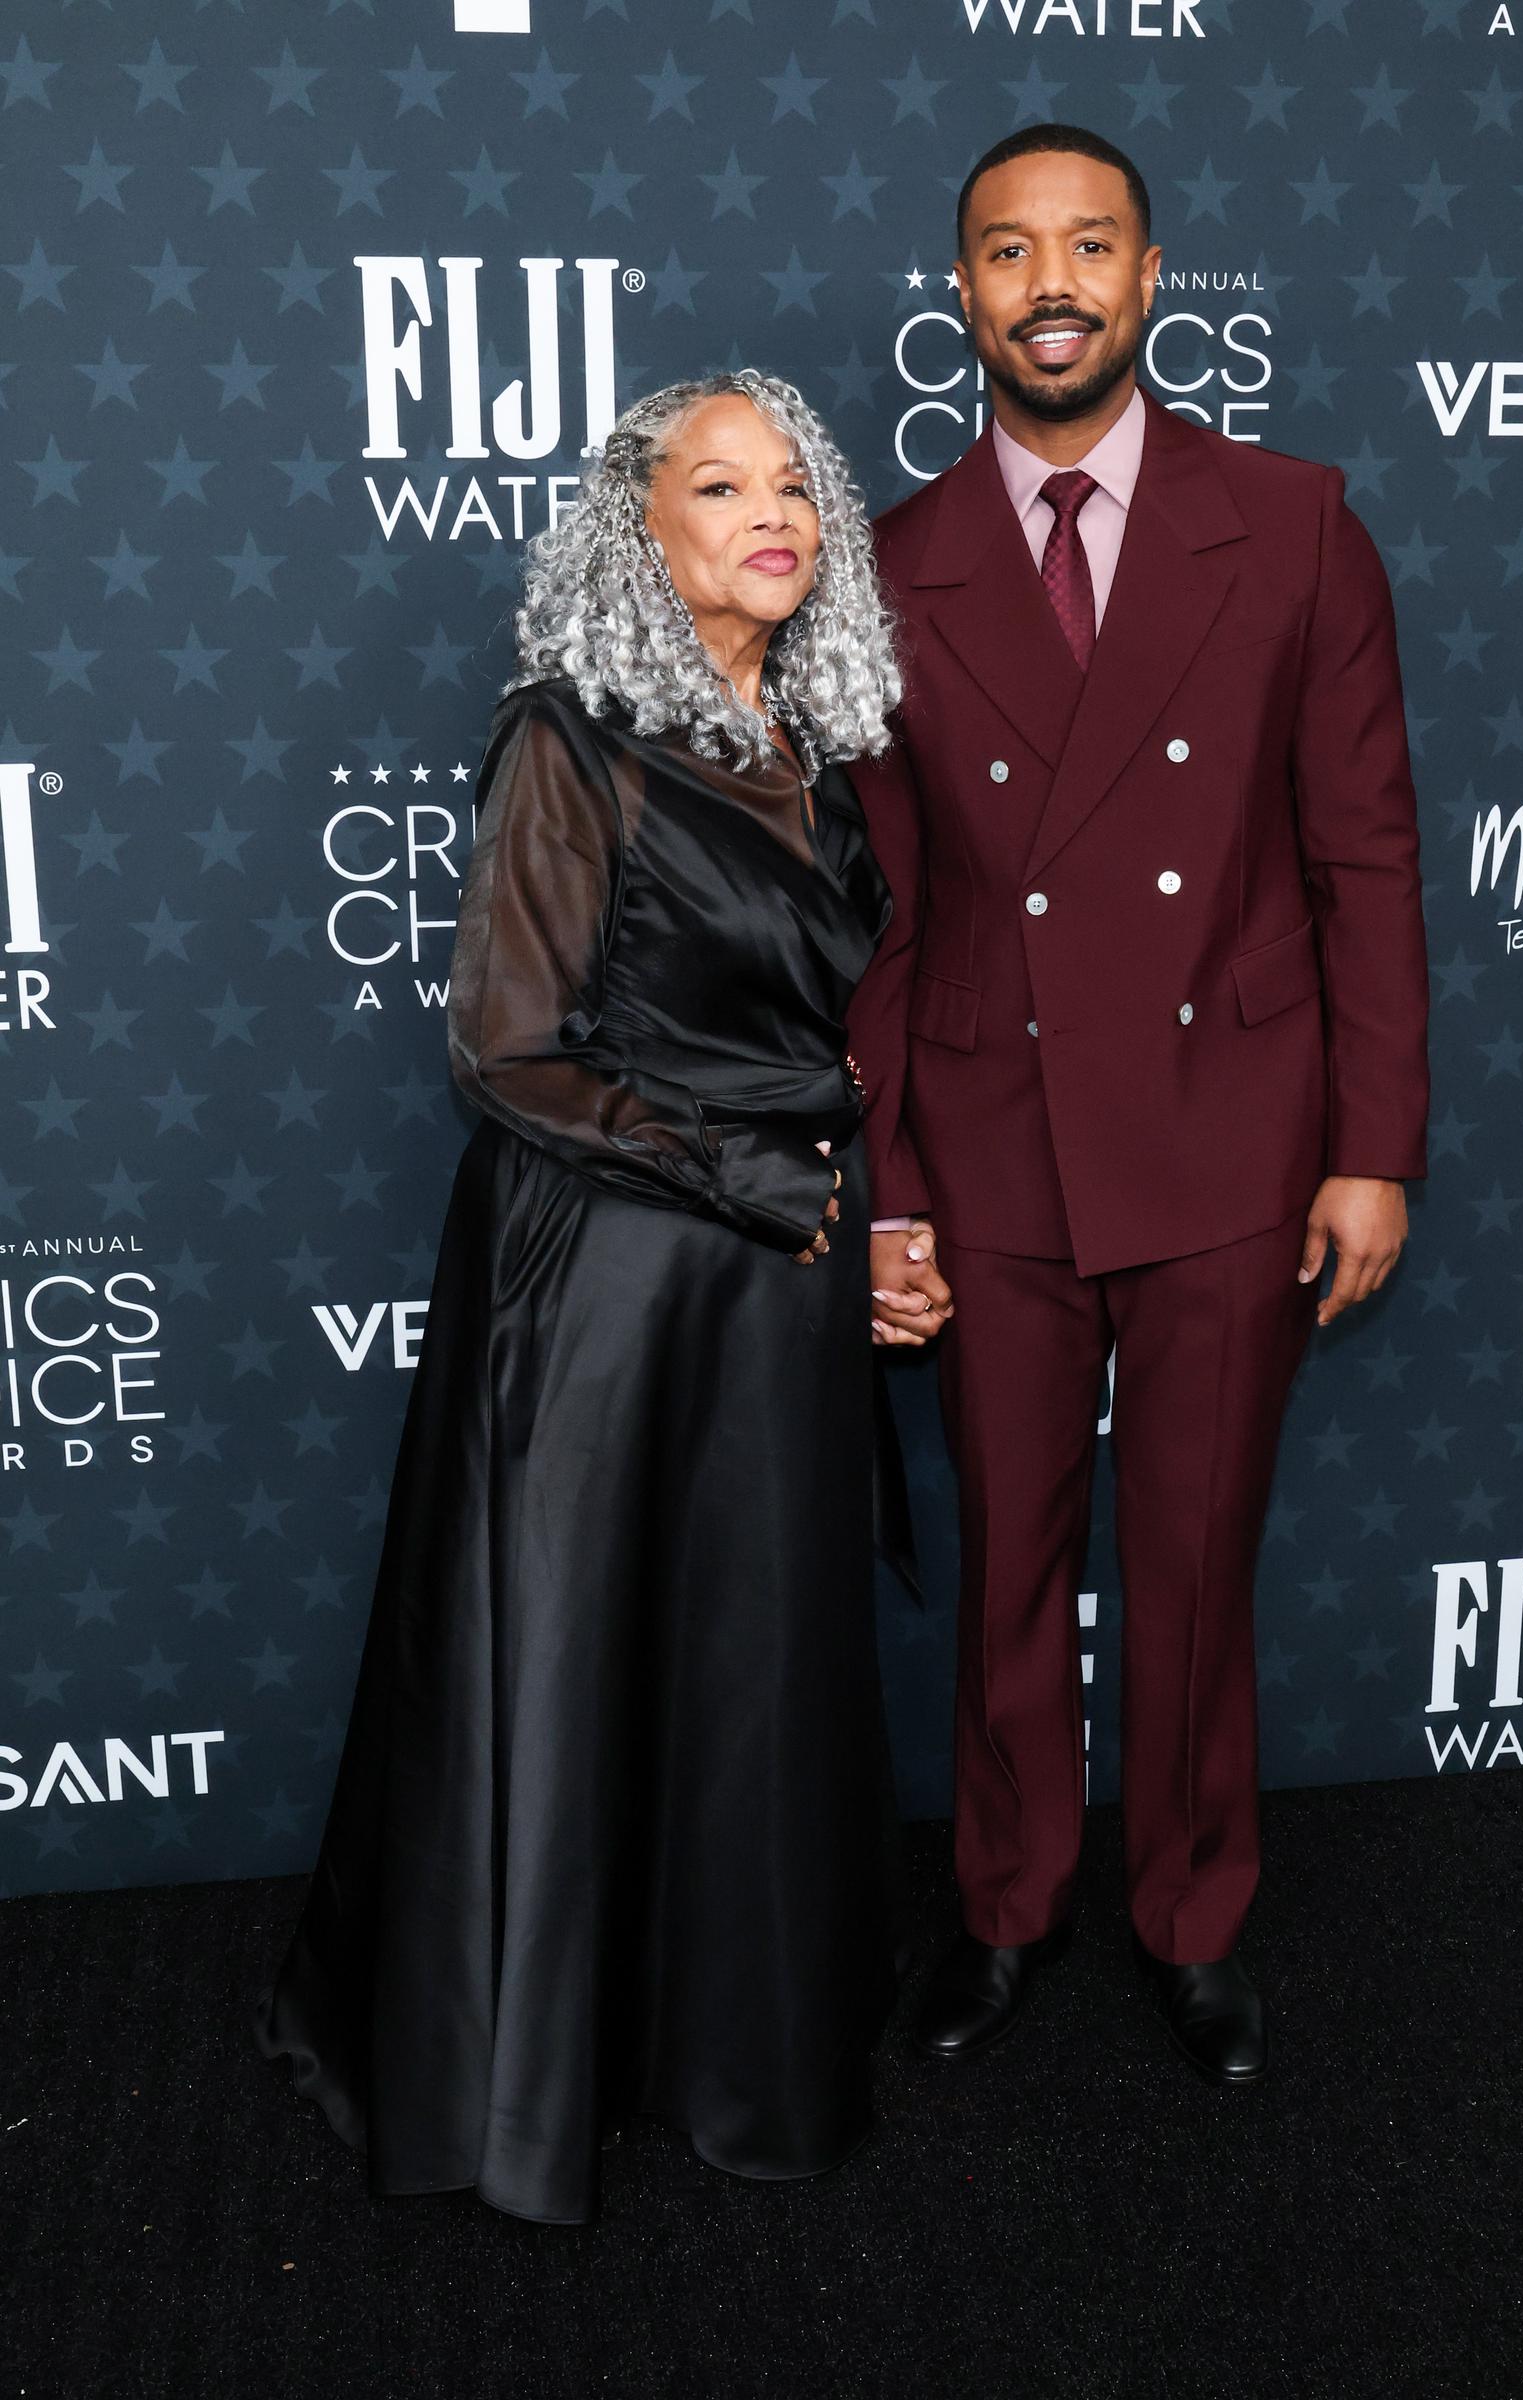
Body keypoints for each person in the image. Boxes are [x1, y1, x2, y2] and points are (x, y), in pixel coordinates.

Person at [256, 369, 925, 2224]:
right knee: (582, 1647)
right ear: (647, 531)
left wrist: (855, 1204)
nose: (774, 513)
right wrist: (761, 1183)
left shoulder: (818, 734)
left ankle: (728, 2039)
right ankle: (532, 2074)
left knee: (748, 1661)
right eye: (724, 487)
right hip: (615, 1277)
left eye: (797, 485)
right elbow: (507, 1053)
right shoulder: (573, 738)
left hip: (776, 1265)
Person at [850, 126, 1430, 2083]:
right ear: (963, 296)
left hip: (1231, 1126)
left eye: (1086, 243)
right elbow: (882, 918)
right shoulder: (894, 561)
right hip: (991, 1132)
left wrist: (1373, 1147)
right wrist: (890, 1191)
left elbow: (1364, 858)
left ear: (1154, 273)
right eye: (1007, 253)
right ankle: (1004, 1910)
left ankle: (1193, 1914)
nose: (1050, 282)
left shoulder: (1292, 524)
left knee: (1191, 1550)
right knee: (1009, 1546)